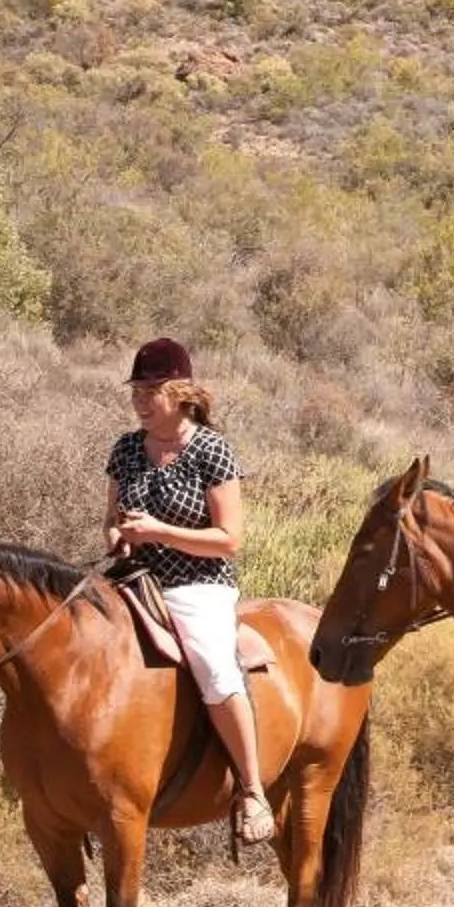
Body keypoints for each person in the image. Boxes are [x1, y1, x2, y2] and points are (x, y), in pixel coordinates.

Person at [104, 337, 277, 844]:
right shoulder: (127, 448)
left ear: (179, 393)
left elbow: (229, 540)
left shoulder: (211, 450)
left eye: (150, 389)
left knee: (214, 666)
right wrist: (118, 536)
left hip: (198, 584)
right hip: (135, 580)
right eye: (136, 389)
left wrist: (157, 531)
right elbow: (110, 520)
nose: (139, 399)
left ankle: (251, 788)